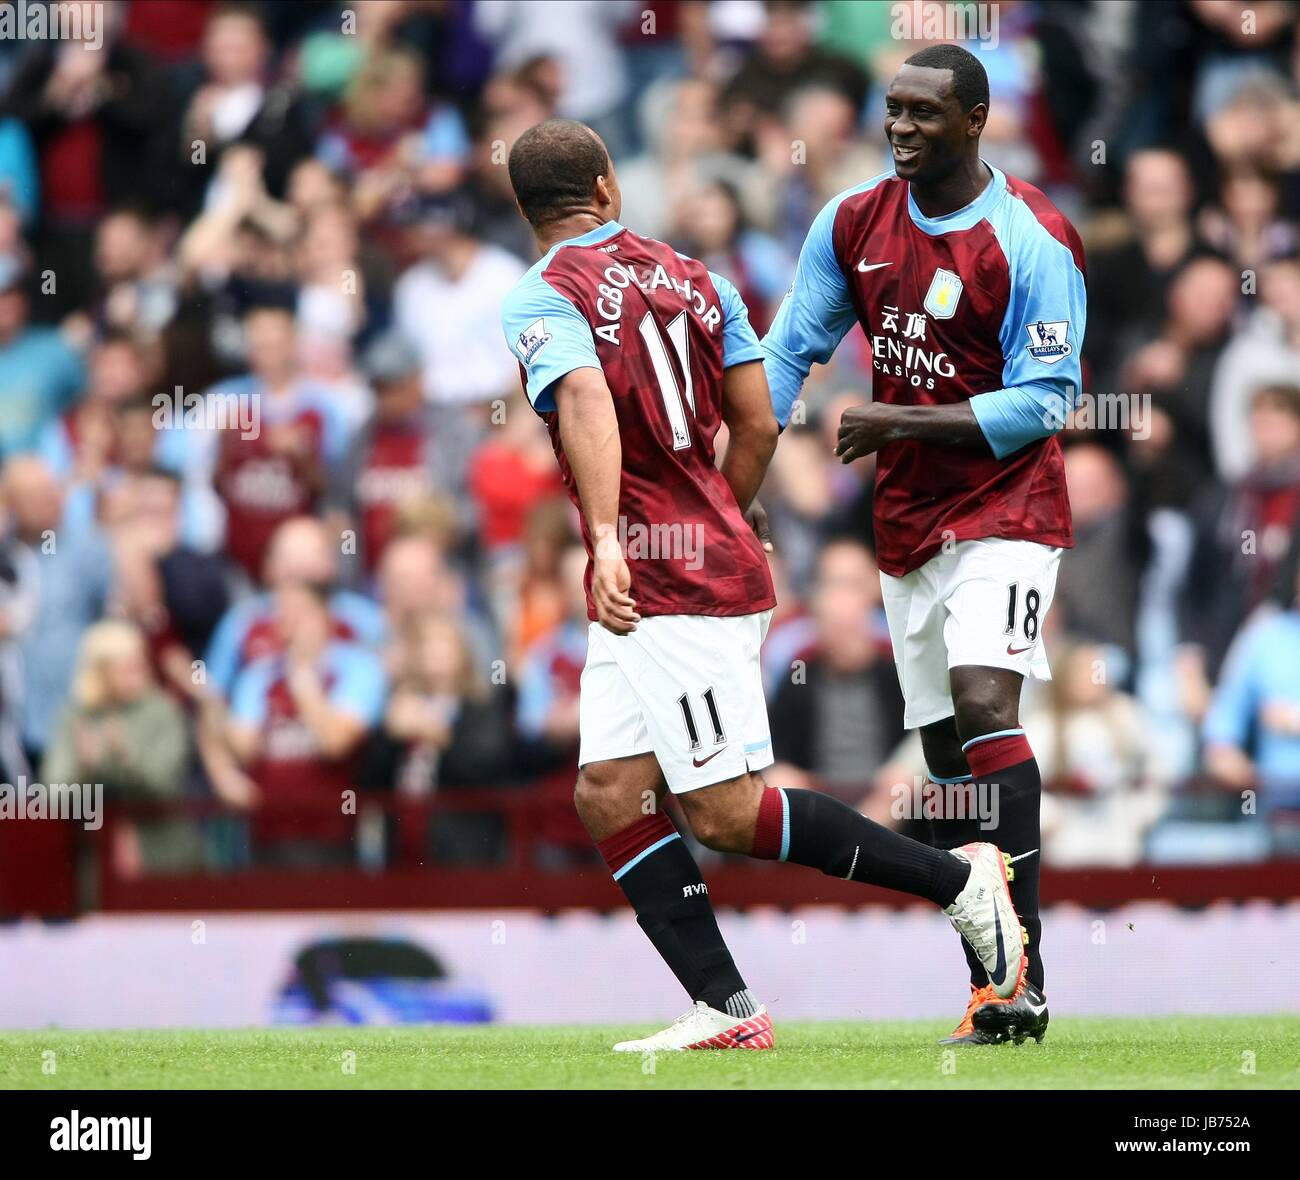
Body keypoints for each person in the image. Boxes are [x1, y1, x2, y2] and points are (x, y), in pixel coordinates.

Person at [500, 118, 1023, 1053]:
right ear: (609, 188)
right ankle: (727, 1010)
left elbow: (584, 399)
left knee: (726, 811)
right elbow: (756, 417)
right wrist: (720, 516)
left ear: (525, 208)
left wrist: (619, 539)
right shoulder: (700, 276)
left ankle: (963, 883)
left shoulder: (542, 296)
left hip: (663, 583)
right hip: (684, 567)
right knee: (610, 792)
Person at [764, 44, 1087, 1045]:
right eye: (891, 110)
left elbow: (1048, 400)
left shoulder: (1031, 236)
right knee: (949, 763)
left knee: (988, 702)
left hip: (1008, 506)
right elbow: (786, 354)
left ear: (977, 117)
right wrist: (727, 492)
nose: (899, 127)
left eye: (923, 113)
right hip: (907, 528)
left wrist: (897, 421)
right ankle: (995, 984)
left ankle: (1024, 968)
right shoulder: (850, 222)